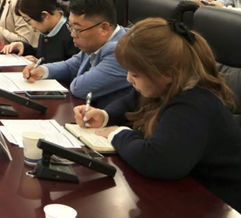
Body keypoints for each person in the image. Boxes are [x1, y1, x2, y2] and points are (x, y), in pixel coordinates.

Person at [74, 18, 241, 211]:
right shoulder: (166, 85)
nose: (129, 79)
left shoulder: (193, 105)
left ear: (167, 74)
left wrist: (118, 134)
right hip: (184, 190)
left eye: (135, 74)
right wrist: (105, 115)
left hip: (218, 203)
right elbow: (130, 102)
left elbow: (154, 160)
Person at [22, 0, 131, 105]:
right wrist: (43, 70)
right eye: (70, 27)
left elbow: (80, 88)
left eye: (77, 29)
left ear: (104, 28)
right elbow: (70, 66)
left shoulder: (121, 51)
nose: (72, 34)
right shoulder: (95, 43)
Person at [1, 0, 78, 63]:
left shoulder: (72, 35)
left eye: (28, 20)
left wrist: (41, 64)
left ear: (44, 15)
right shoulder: (47, 28)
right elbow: (42, 54)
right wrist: (24, 47)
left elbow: (70, 66)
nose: (30, 25)